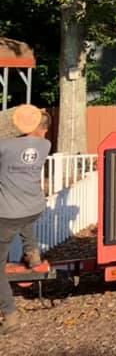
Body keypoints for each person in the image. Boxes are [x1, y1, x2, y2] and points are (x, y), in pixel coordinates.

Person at [0, 106, 51, 335]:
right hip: (34, 208)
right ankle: (32, 252)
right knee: (25, 215)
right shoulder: (45, 145)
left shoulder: (5, 146)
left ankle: (10, 314)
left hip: (8, 215)